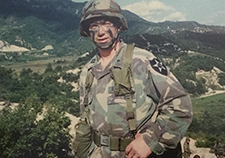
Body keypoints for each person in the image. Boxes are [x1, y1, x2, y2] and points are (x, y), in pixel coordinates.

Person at [75, 0, 193, 157]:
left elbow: (181, 106)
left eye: (106, 23)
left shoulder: (141, 60)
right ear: (87, 32)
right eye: (93, 26)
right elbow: (86, 121)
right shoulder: (87, 72)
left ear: (118, 26)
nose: (100, 32)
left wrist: (150, 140)